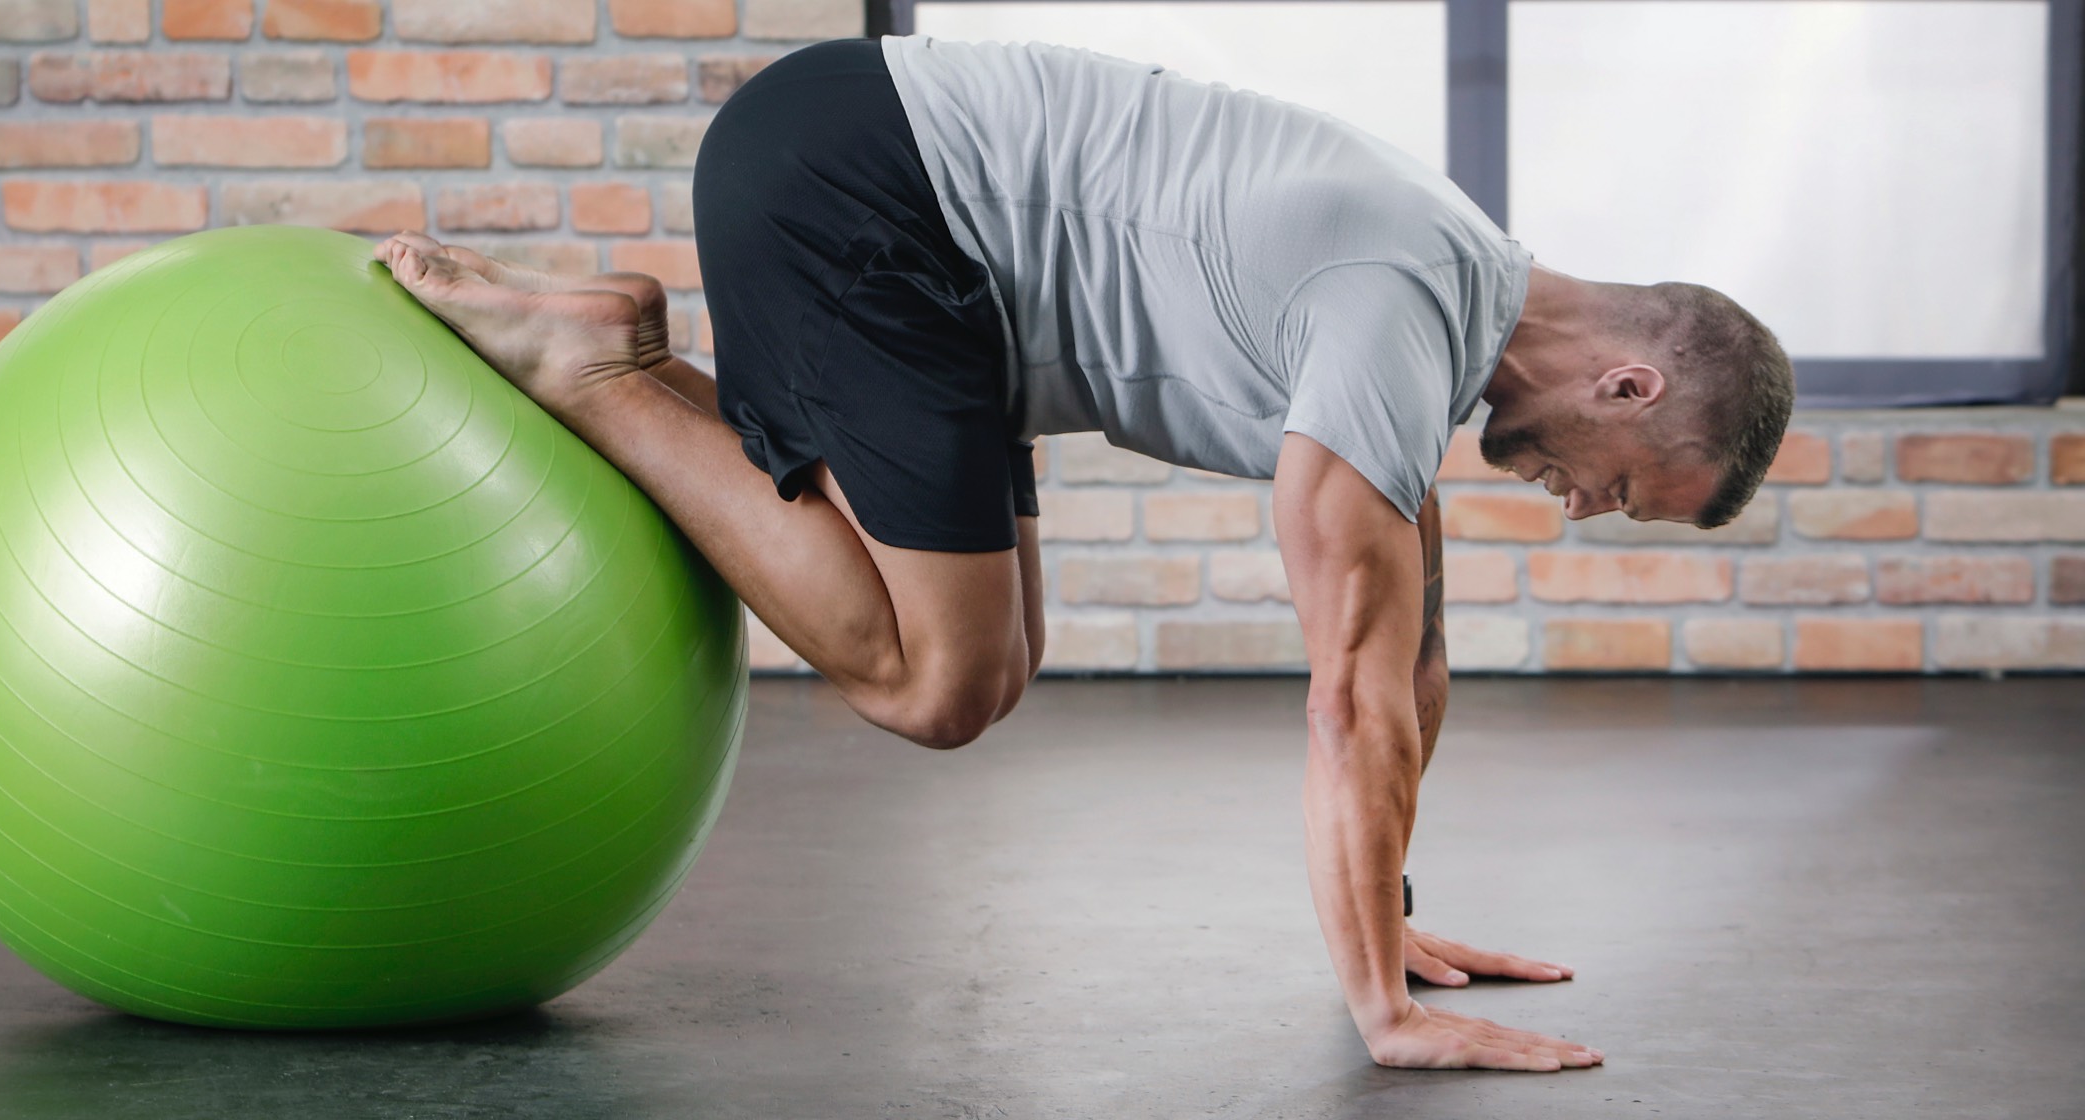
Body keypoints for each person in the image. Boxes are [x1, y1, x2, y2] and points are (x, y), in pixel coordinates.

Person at [374, 35, 1793, 1072]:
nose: (1581, 508)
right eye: (1625, 491)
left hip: (932, 249)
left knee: (995, 672)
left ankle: (611, 362)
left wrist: (1394, 913)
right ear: (1631, 388)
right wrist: (1386, 1015)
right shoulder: (1400, 307)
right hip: (866, 185)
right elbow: (1347, 699)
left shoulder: (1446, 296)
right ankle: (599, 368)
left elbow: (1411, 673)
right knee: (937, 683)